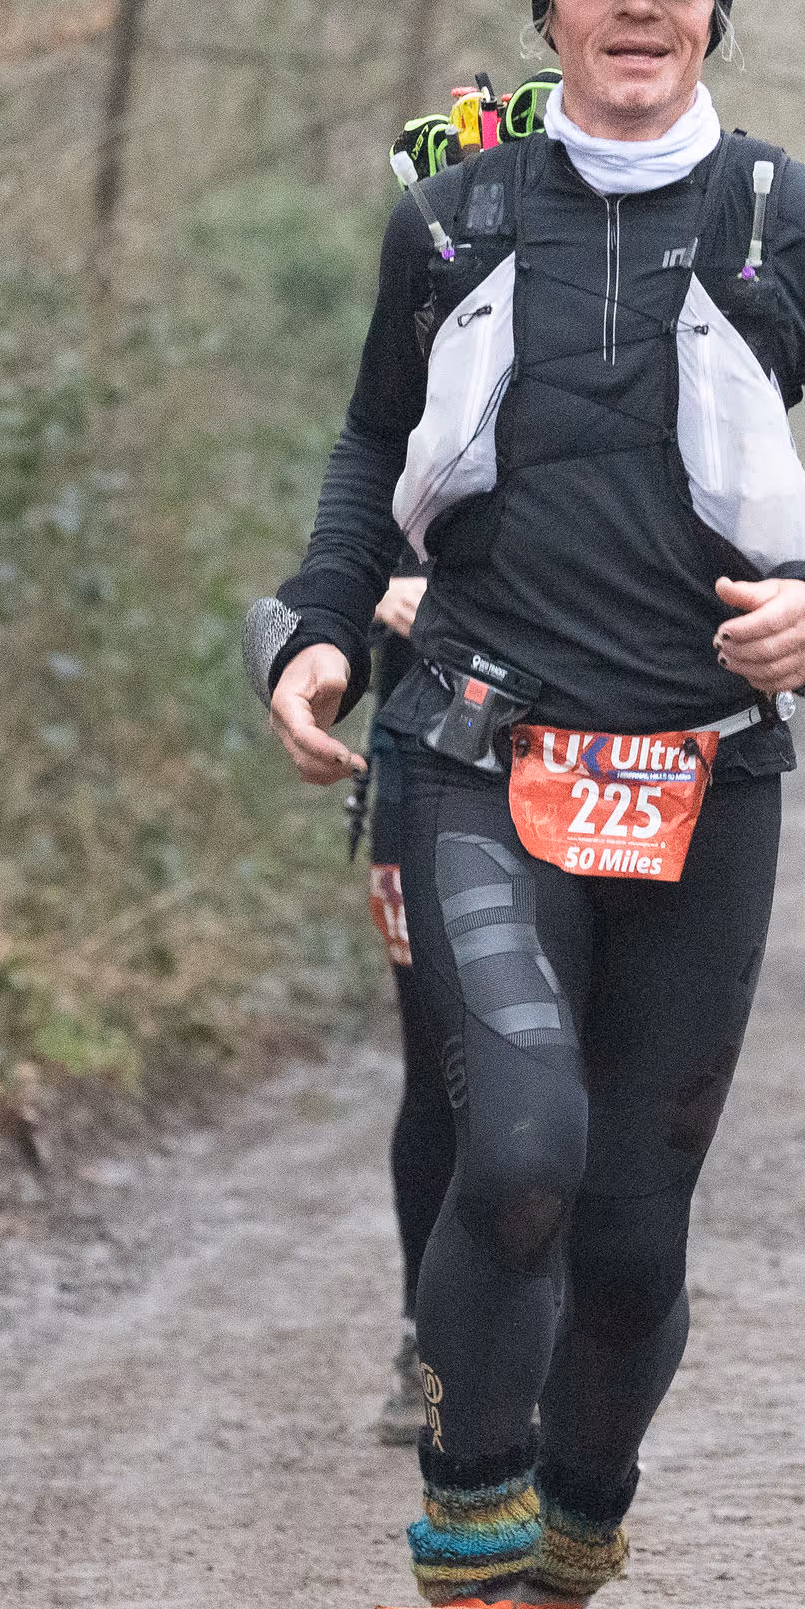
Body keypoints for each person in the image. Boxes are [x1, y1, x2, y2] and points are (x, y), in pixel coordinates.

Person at [242, 0, 805, 1609]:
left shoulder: (801, 227)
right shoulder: (454, 217)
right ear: (547, 11)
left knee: (633, 1234)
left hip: (707, 774)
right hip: (473, 750)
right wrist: (311, 632)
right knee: (523, 1144)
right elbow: (371, 451)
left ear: (717, 14)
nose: (640, 9)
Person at [364, 569, 462, 1445]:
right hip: (415, 770)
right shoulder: (397, 437)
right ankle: (421, 1342)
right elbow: (316, 583)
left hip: (580, 766)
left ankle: (556, 1347)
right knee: (437, 1067)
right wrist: (368, 596)